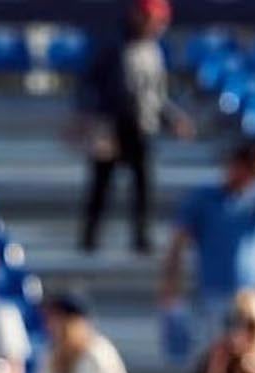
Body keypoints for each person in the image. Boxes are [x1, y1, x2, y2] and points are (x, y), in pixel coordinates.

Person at [162, 140, 255, 343]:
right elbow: (177, 245)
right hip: (216, 294)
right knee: (218, 357)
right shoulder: (204, 198)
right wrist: (170, 287)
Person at [77, 0, 186, 254]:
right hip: (110, 126)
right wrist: (94, 123)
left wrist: (173, 119)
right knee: (101, 185)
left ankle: (141, 237)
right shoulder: (112, 45)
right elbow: (89, 86)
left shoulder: (154, 51)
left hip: (141, 126)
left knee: (143, 186)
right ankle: (89, 238)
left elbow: (158, 95)